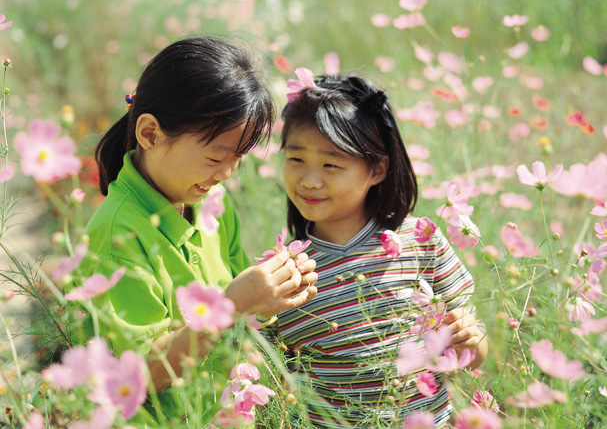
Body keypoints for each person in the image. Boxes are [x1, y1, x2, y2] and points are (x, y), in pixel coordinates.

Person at [75, 37, 318, 394]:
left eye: (238, 157)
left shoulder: (213, 203)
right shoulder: (117, 236)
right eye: (215, 157)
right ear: (150, 133)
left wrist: (269, 297)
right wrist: (232, 304)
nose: (226, 174)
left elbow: (240, 320)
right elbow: (133, 379)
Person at [270, 70, 488, 428]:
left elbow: (472, 353)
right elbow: (277, 379)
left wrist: (472, 340)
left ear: (377, 169)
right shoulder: (285, 270)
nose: (309, 180)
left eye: (331, 165)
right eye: (296, 160)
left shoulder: (421, 239)